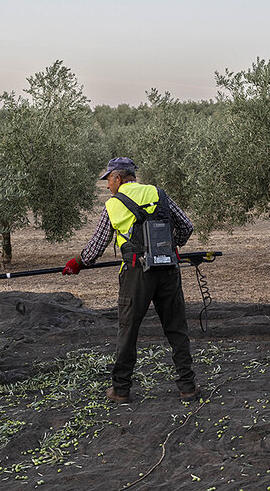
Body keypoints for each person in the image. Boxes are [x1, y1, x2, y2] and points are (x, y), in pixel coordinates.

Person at [62, 157, 200, 404]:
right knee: (177, 328)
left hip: (137, 274)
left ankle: (121, 390)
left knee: (128, 331)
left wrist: (77, 263)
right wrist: (171, 246)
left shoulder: (114, 205)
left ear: (118, 177)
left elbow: (95, 248)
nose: (107, 187)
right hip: (168, 270)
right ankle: (187, 387)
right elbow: (187, 226)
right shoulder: (159, 194)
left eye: (109, 180)